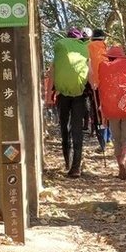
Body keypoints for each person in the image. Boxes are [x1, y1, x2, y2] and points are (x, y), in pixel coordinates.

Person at [50, 27, 90, 178]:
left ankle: (67, 161)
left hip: (62, 95)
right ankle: (76, 167)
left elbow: (52, 72)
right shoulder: (83, 50)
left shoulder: (60, 52)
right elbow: (90, 73)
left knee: (64, 128)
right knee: (77, 129)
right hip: (80, 95)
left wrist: (49, 95)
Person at [97, 44, 126, 180]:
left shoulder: (104, 68)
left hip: (111, 109)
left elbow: (100, 90)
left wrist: (103, 112)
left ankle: (120, 166)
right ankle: (124, 161)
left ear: (109, 57)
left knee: (117, 140)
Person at [87, 28, 109, 152]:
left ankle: (102, 143)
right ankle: (108, 138)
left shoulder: (89, 47)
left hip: (95, 85)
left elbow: (87, 65)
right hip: (108, 85)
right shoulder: (107, 47)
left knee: (97, 113)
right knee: (107, 111)